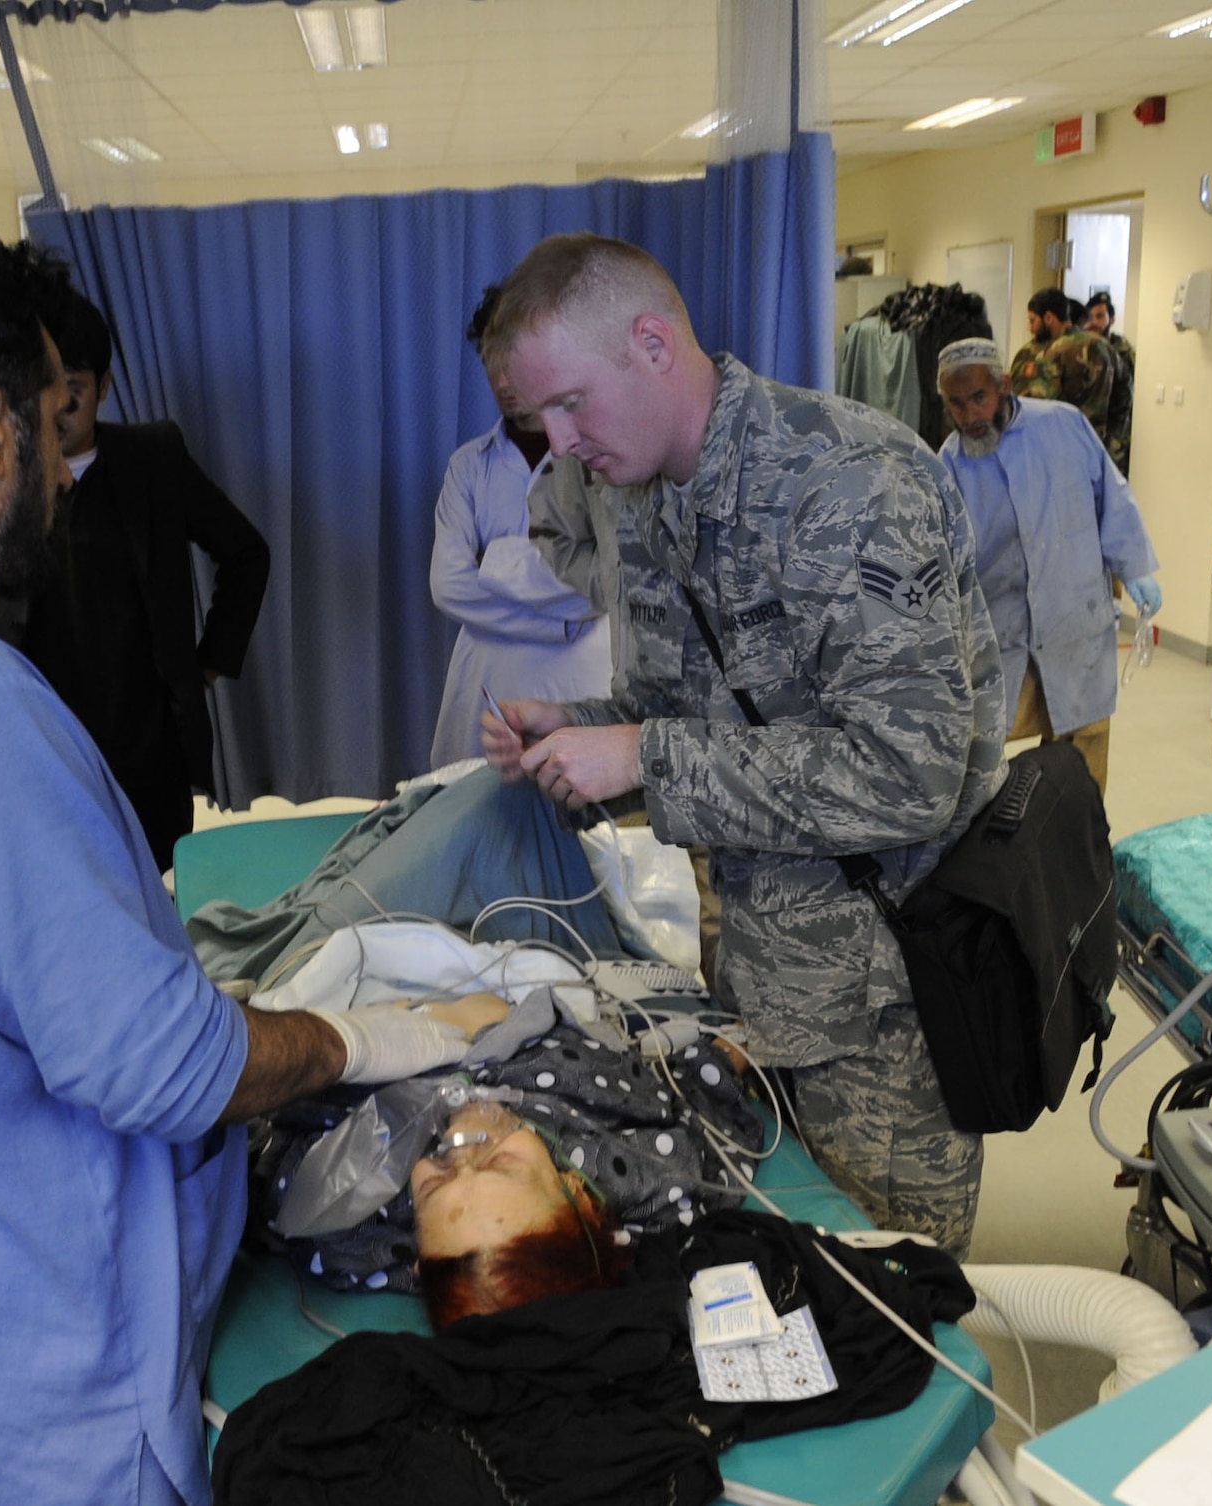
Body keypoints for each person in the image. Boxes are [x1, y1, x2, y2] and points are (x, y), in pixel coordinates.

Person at [0, 218, 468, 1506]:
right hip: (56, 1400)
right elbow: (160, 1065)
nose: (68, 468)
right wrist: (361, 1039)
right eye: (50, 417)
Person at [478, 233, 1007, 1259]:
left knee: (893, 1304)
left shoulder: (847, 485)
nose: (556, 441)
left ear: (650, 344)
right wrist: (582, 733)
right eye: (536, 415)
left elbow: (910, 774)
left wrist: (642, 758)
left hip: (885, 1007)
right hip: (758, 982)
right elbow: (684, 709)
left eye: (570, 403)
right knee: (780, 1281)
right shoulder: (648, 500)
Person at [16, 293, 271, 873]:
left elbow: (246, 552)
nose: (58, 411)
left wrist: (205, 664)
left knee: (154, 893)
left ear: (104, 387)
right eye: (45, 391)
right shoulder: (9, 475)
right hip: (47, 740)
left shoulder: (152, 458)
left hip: (146, 746)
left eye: (73, 391)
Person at [934, 338, 1159, 795]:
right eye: (956, 405)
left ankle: (1083, 854)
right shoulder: (947, 467)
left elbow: (1110, 499)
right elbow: (941, 563)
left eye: (980, 397)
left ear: (1006, 385)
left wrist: (1134, 568)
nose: (970, 416)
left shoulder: (1064, 425)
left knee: (1085, 760)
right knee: (976, 760)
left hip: (1075, 628)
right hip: (1004, 642)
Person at [429, 286, 610, 767]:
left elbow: (601, 586)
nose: (504, 379)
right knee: (473, 816)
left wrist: (493, 560)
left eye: (515, 359)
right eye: (492, 360)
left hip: (579, 683)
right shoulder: (468, 467)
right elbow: (447, 587)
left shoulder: (598, 456)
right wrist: (562, 621)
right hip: (486, 684)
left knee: (584, 822)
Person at [1009, 287, 1113, 446]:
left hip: (1071, 444)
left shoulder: (1089, 347)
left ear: (1049, 318)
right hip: (1041, 445)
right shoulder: (1028, 352)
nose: (1029, 327)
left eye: (1032, 320)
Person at [1084, 293, 1136, 475]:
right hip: (1089, 432)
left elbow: (1127, 397)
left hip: (1115, 436)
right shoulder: (1083, 349)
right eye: (1090, 317)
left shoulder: (1122, 350)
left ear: (1111, 320)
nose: (1094, 323)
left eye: (1100, 316)